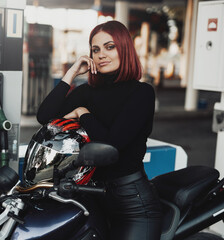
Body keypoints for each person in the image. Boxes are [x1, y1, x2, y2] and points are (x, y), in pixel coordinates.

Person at [36, 21, 162, 240]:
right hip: (91, 196)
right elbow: (45, 117)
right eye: (95, 49)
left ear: (124, 49)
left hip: (132, 205)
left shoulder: (141, 93)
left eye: (109, 47)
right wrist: (72, 72)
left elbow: (113, 145)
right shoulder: (88, 91)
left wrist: (83, 113)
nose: (101, 54)